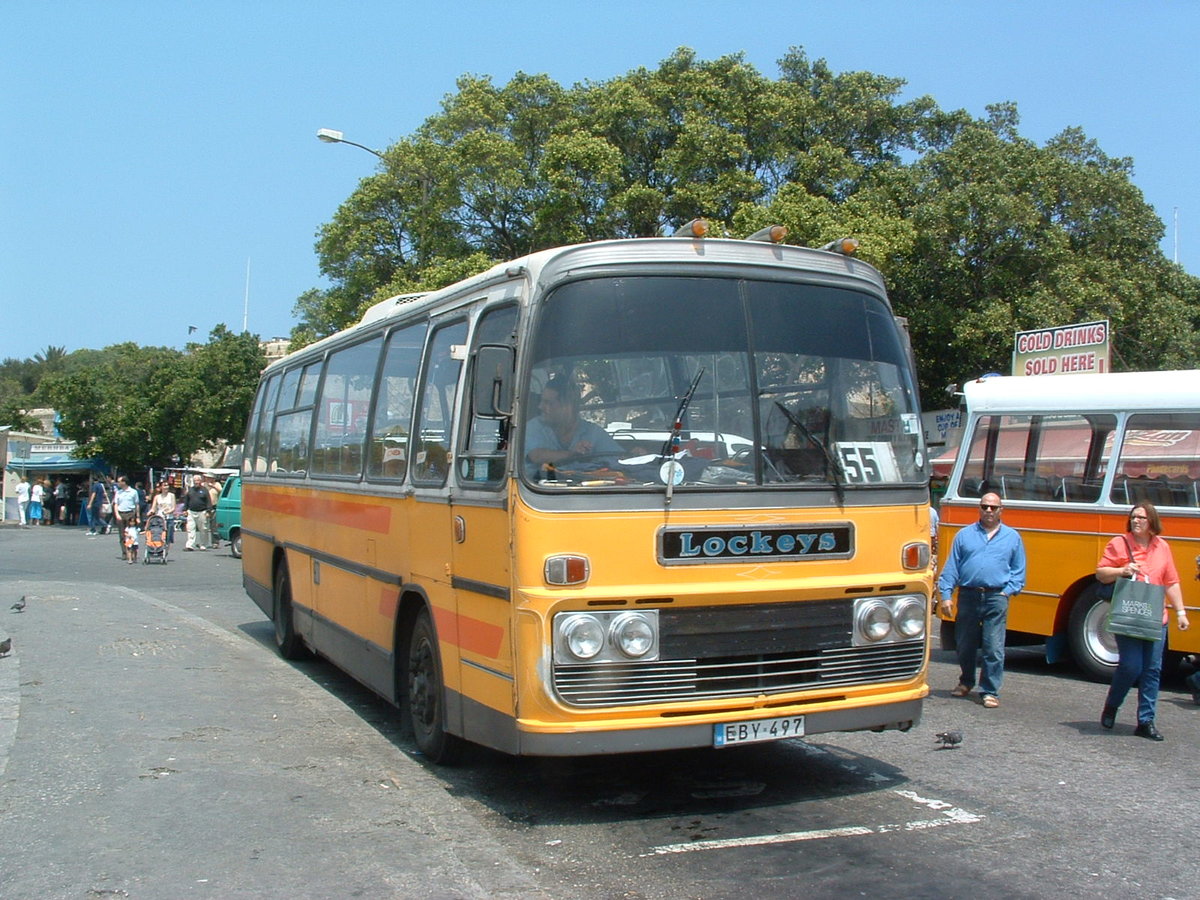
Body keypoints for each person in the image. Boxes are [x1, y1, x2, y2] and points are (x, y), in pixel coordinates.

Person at [1096, 502, 1190, 740]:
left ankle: (1146, 721)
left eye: (1141, 518)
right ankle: (1112, 706)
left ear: (1152, 522)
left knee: (1152, 670)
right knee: (1131, 666)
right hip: (1128, 615)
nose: (1136, 521)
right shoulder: (1119, 543)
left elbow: (1171, 581)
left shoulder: (1162, 547)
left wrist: (1180, 612)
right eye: (1133, 517)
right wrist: (1122, 571)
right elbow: (1101, 573)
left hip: (1156, 618)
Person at [937, 491, 1026, 709]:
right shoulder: (964, 535)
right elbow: (952, 567)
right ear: (979, 508)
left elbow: (1019, 571)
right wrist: (946, 596)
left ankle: (989, 691)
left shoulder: (1012, 537)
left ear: (1001, 510)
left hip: (996, 597)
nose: (988, 510)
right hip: (968, 595)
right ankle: (966, 681)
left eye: (993, 507)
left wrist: (1007, 592)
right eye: (984, 506)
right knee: (965, 645)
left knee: (993, 647)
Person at [524, 374, 620, 479]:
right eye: (542, 401)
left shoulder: (592, 432)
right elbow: (536, 456)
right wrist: (572, 454)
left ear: (567, 406)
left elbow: (618, 459)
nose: (540, 407)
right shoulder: (534, 427)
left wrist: (632, 454)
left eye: (548, 403)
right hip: (536, 487)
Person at [112, 476, 141, 561]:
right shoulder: (118, 492)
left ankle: (131, 551)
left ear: (124, 482)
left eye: (119, 481)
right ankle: (124, 552)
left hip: (130, 513)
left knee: (131, 534)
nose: (118, 483)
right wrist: (117, 514)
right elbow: (116, 504)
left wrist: (138, 516)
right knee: (122, 534)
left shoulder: (133, 492)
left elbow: (137, 504)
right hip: (121, 513)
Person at [183, 474, 212, 551]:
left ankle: (203, 544)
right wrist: (184, 510)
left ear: (200, 481)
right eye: (195, 480)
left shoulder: (204, 490)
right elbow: (186, 500)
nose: (196, 482)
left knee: (203, 529)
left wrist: (208, 511)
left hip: (202, 512)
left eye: (198, 480)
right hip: (191, 512)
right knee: (190, 528)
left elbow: (208, 501)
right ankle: (190, 545)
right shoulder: (190, 490)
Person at [148, 480, 178, 545]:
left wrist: (167, 512)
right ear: (161, 487)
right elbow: (153, 508)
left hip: (169, 518)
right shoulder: (157, 497)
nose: (166, 487)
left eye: (167, 485)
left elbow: (173, 508)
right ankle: (160, 547)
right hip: (160, 519)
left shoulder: (171, 495)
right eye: (164, 485)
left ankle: (166, 547)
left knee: (168, 537)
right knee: (159, 536)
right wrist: (150, 511)